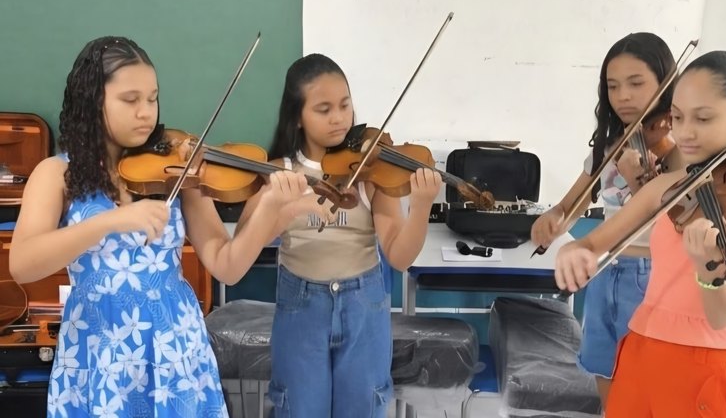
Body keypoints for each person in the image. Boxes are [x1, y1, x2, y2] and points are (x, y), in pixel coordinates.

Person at [10, 36, 295, 417]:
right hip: (98, 347)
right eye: (130, 100)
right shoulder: (57, 174)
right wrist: (110, 221)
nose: (146, 112)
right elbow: (24, 263)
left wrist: (270, 208)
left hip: (174, 346)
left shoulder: (177, 170)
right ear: (93, 101)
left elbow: (227, 264)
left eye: (152, 97)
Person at [554, 50, 726, 416]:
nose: (684, 133)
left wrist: (709, 270)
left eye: (703, 118)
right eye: (677, 117)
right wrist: (575, 251)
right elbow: (595, 241)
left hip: (702, 368)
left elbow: (723, 315)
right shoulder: (668, 185)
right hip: (640, 353)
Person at [235, 53, 442, 417]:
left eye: (345, 105)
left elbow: (399, 255)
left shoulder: (370, 170)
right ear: (297, 116)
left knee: (364, 407)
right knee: (299, 408)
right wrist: (278, 203)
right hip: (301, 307)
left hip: (364, 305)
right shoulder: (279, 171)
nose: (339, 118)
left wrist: (421, 206)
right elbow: (245, 241)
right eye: (324, 109)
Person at [530, 32, 677, 407]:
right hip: (604, 269)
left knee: (645, 380)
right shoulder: (611, 144)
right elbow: (572, 205)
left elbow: (675, 222)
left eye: (636, 83)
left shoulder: (677, 147)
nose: (623, 95)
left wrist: (637, 180)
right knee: (603, 369)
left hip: (650, 272)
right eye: (613, 86)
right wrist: (554, 217)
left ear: (666, 82)